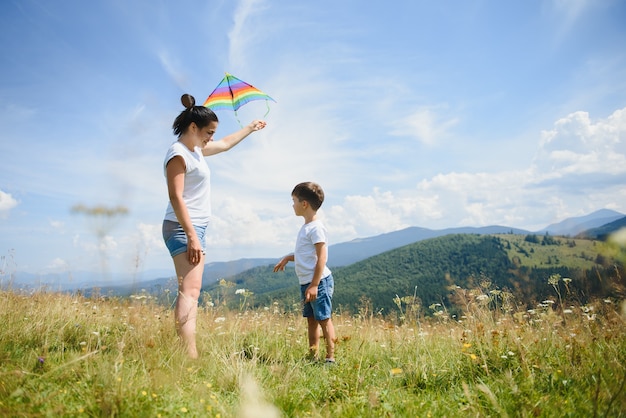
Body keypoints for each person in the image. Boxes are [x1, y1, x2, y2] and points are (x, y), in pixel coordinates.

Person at [163, 94, 266, 358]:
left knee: (191, 290)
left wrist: (250, 128)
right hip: (183, 227)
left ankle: (188, 351)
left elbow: (225, 144)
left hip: (194, 228)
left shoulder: (195, 151)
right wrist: (191, 236)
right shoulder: (178, 154)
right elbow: (175, 197)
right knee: (190, 291)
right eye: (208, 132)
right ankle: (189, 355)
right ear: (193, 128)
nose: (211, 137)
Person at [273, 182, 336, 364]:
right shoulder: (306, 227)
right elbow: (305, 255)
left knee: (324, 319)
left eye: (294, 200)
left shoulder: (316, 227)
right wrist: (288, 258)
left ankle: (330, 358)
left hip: (318, 282)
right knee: (311, 319)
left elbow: (321, 257)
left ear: (304, 204)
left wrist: (315, 284)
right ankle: (312, 355)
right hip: (307, 283)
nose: (292, 204)